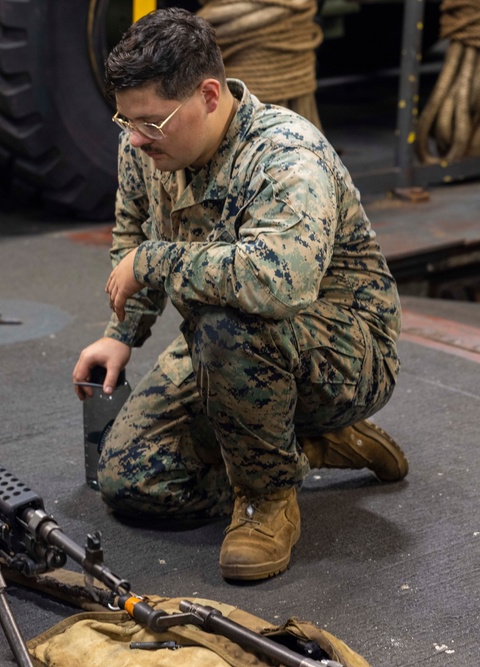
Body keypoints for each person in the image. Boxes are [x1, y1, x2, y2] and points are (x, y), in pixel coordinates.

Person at [72, 8, 406, 581]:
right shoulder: (147, 144)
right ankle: (311, 444)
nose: (133, 138)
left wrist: (153, 261)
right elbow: (134, 231)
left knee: (232, 319)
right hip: (222, 340)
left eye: (150, 122)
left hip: (342, 351)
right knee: (129, 479)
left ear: (207, 94)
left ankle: (268, 498)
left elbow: (278, 283)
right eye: (124, 121)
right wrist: (121, 334)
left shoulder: (285, 156)